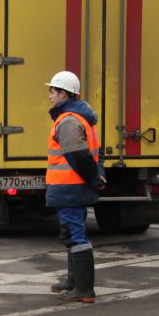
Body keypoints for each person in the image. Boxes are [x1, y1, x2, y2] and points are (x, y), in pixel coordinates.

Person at [45, 70, 104, 304]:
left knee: (75, 234)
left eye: (52, 91)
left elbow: (79, 157)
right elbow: (94, 156)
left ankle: (84, 289)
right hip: (72, 187)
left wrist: (93, 179)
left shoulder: (68, 120)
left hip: (70, 187)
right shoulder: (79, 118)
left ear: (63, 93)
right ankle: (74, 282)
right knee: (71, 232)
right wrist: (98, 176)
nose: (49, 95)